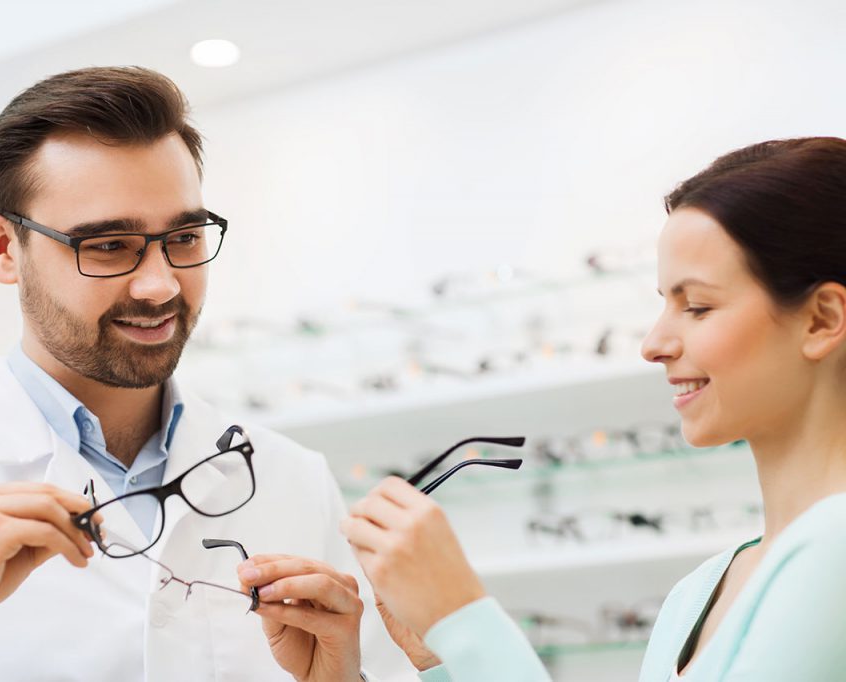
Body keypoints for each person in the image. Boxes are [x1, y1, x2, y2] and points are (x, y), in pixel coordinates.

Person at [0, 66, 392, 682]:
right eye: (108, 246)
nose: (160, 285)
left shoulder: (295, 478)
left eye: (184, 237)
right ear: (3, 249)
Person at [240, 137, 846, 680]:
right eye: (663, 303)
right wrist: (435, 659)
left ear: (822, 320)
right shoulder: (699, 593)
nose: (654, 343)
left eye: (698, 307)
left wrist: (463, 617)